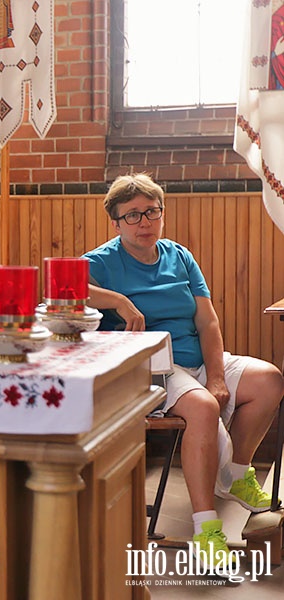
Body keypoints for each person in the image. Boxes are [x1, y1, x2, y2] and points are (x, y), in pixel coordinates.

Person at [84, 173, 284, 570]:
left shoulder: (179, 255)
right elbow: (60, 290)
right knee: (203, 407)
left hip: (195, 359)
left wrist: (214, 374)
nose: (144, 223)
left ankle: (236, 473)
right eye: (133, 216)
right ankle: (205, 528)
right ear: (116, 223)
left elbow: (208, 323)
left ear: (162, 214)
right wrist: (119, 301)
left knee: (269, 380)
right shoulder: (100, 262)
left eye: (152, 212)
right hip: (152, 364)